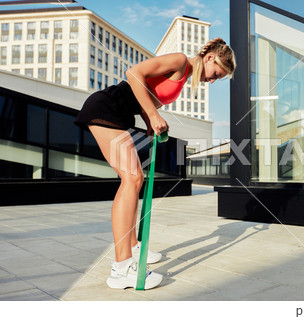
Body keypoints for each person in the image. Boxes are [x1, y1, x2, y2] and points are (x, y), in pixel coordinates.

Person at [75, 38, 236, 290]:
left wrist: (148, 121)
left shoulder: (183, 76)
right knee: (132, 179)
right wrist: (152, 114)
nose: (213, 80)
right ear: (209, 58)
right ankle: (121, 268)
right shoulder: (181, 60)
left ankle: (132, 249)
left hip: (120, 113)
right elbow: (133, 73)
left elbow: (145, 94)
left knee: (133, 180)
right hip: (107, 107)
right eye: (216, 74)